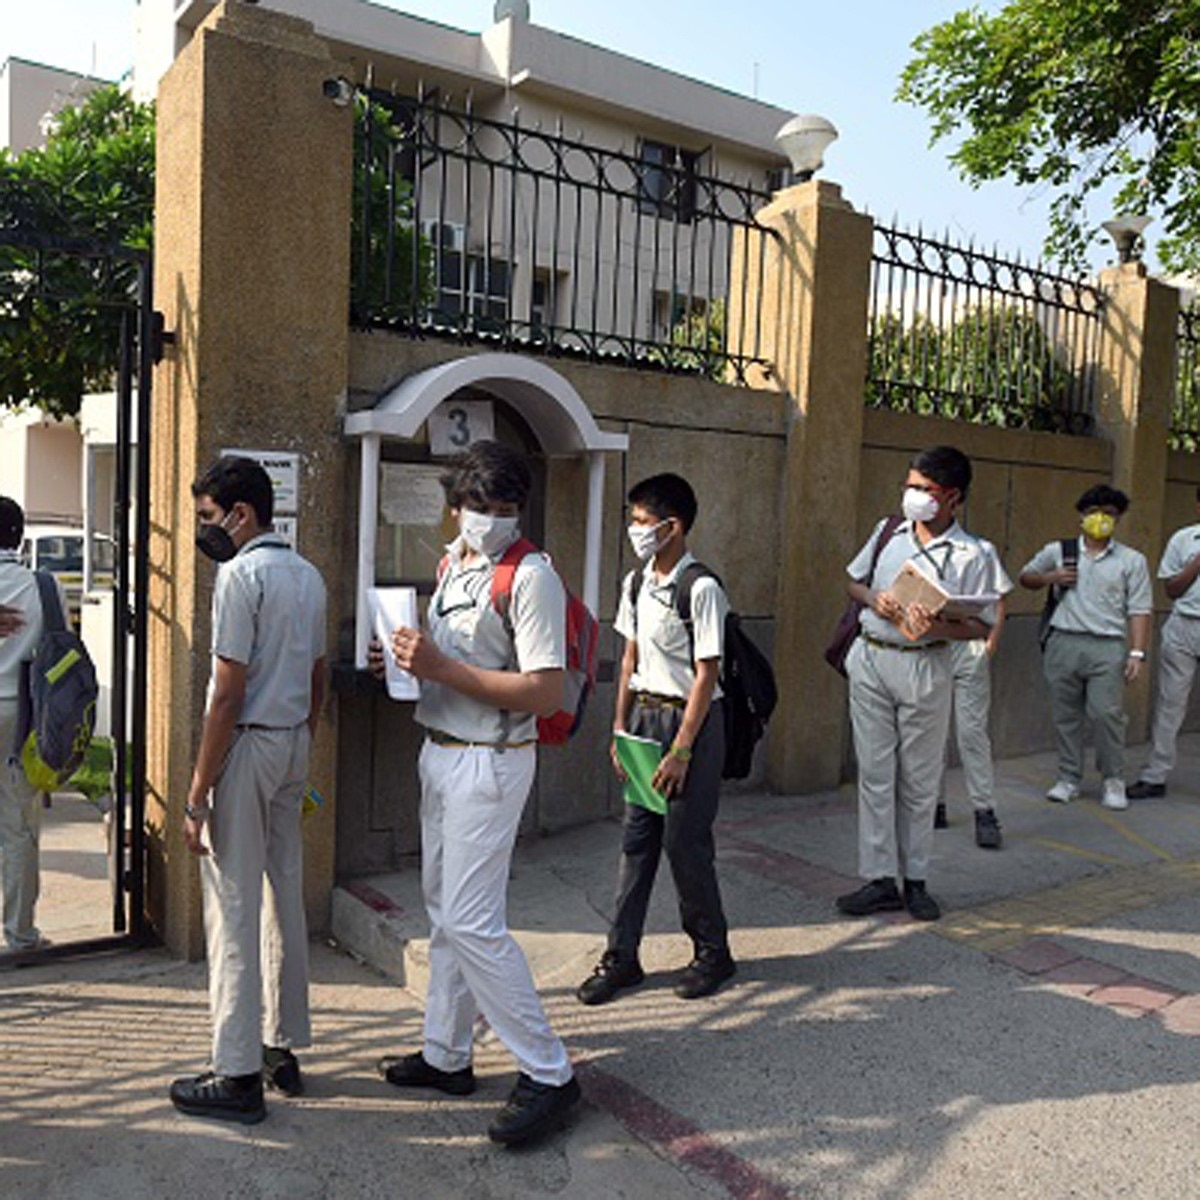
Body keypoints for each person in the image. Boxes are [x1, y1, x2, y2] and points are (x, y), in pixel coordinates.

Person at [370, 439, 580, 1148]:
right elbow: (448, 664)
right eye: (479, 506)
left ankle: (549, 1071)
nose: (492, 519)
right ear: (454, 506)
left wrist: (440, 667)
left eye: (506, 508)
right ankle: (445, 1054)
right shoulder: (453, 564)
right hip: (441, 750)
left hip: (492, 760)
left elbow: (544, 688)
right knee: (444, 912)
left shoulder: (530, 577)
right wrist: (404, 664)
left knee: (470, 920)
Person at [169, 456, 327, 1125]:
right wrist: (303, 743)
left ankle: (236, 1074)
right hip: (291, 742)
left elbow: (225, 693)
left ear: (241, 514)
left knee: (231, 906)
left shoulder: (240, 575)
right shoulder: (307, 573)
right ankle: (279, 1045)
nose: (205, 529)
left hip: (250, 744)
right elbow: (317, 674)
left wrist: (198, 791)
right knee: (281, 894)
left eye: (208, 516)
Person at [576, 472, 735, 1008]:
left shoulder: (702, 588)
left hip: (690, 726)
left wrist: (682, 749)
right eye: (634, 519)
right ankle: (622, 956)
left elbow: (706, 673)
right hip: (644, 722)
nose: (636, 529)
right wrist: (619, 729)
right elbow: (629, 658)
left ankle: (713, 952)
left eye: (645, 521)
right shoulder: (636, 583)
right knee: (636, 841)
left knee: (685, 843)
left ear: (675, 526)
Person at [836, 446, 1006, 923]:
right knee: (874, 774)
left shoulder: (975, 554)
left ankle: (915, 879)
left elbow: (981, 625)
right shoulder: (888, 532)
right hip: (871, 656)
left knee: (919, 779)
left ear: (951, 497)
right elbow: (853, 583)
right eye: (910, 486)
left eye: (923, 490)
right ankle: (878, 877)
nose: (913, 496)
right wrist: (876, 599)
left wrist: (936, 626)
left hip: (926, 666)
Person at [1018, 484, 1151, 811]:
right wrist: (1053, 577)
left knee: (1107, 713)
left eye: (1109, 513)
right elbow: (1026, 577)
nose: (1100, 519)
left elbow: (1140, 609)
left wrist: (1137, 652)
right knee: (1066, 715)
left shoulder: (1131, 561)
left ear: (1118, 518)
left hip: (1107, 646)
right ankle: (1068, 778)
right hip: (1063, 640)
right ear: (1081, 515)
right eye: (1094, 512)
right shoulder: (1060, 551)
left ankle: (1113, 779)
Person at [0, 496, 58, 953]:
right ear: (19, 536)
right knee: (18, 825)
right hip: (21, 717)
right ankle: (20, 934)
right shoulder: (44, 586)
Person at [1128, 488, 1200, 799]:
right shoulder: (1183, 539)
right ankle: (1155, 775)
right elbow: (1171, 589)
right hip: (1183, 624)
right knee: (1170, 702)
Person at [934, 591, 1011, 849]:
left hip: (971, 645)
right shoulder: (920, 552)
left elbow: (999, 599)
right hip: (933, 644)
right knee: (933, 732)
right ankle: (934, 805)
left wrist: (992, 642)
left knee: (972, 733)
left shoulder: (981, 551)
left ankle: (984, 811)